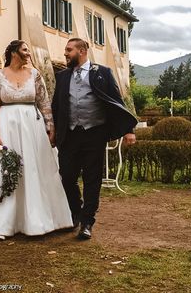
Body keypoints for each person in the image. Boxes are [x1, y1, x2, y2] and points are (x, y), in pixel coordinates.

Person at [0, 40, 73, 239]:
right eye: (25, 49)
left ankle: (38, 219)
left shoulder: (35, 74)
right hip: (6, 127)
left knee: (34, 170)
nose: (28, 53)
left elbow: (44, 102)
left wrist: (50, 127)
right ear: (14, 52)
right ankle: (2, 223)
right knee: (5, 170)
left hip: (32, 128)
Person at [51, 38, 137, 240]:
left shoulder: (103, 73)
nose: (65, 53)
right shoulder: (62, 77)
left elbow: (117, 102)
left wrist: (128, 129)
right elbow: (57, 106)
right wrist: (53, 130)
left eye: (69, 50)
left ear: (82, 51)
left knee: (92, 179)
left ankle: (87, 221)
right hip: (69, 134)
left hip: (94, 134)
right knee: (67, 176)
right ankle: (76, 211)